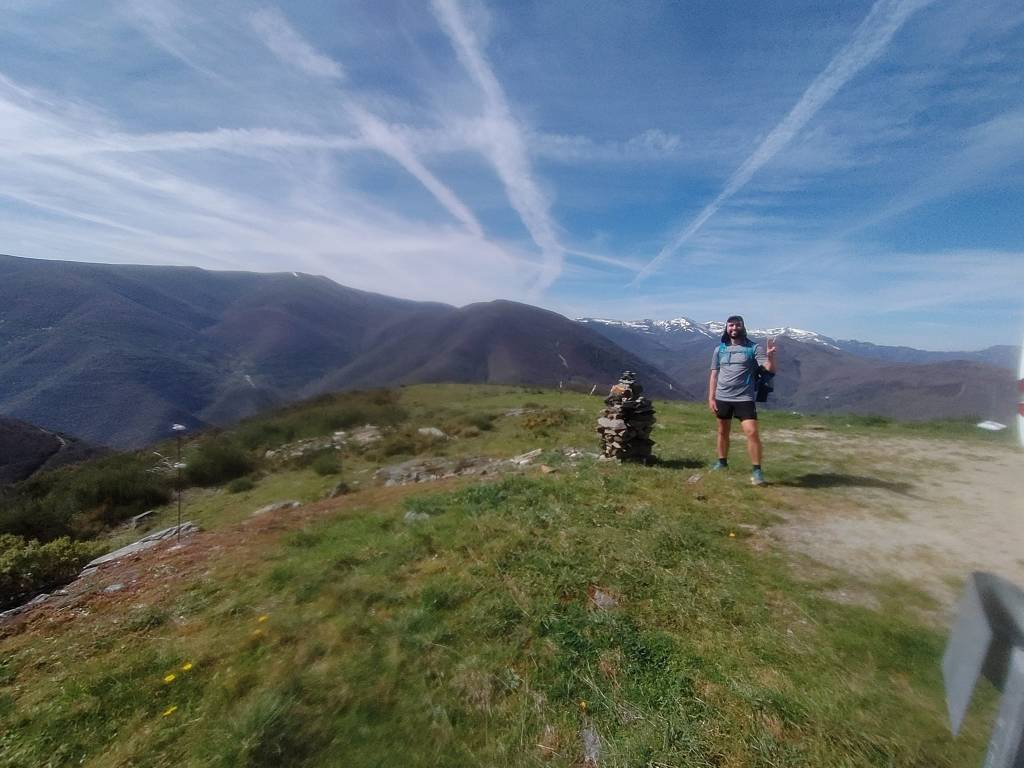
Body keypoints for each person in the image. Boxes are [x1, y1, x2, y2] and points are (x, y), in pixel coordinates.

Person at [707, 315, 777, 485]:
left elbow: (769, 370)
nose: (734, 328)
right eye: (731, 325)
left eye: (737, 325)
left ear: (743, 328)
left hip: (744, 398)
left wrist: (770, 356)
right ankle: (722, 462)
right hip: (722, 397)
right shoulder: (720, 349)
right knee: (722, 431)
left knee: (752, 432)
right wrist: (711, 398)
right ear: (726, 328)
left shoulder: (754, 348)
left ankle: (757, 470)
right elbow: (714, 374)